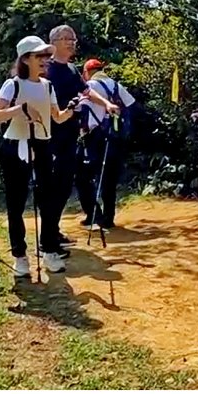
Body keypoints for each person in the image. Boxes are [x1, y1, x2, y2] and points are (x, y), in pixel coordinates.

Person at [0, 35, 79, 276]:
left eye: (47, 56)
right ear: (25, 59)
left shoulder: (47, 86)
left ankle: (49, 250)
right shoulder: (13, 84)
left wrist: (72, 108)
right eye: (40, 56)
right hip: (15, 145)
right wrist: (20, 110)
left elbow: (56, 117)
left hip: (41, 144)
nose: (45, 60)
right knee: (16, 203)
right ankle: (20, 257)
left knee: (48, 199)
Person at [46, 25, 121, 245]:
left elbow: (86, 91)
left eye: (73, 39)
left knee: (65, 184)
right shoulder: (45, 69)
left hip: (70, 135)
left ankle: (53, 231)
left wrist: (107, 104)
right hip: (48, 136)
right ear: (53, 42)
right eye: (66, 38)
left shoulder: (70, 69)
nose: (71, 42)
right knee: (53, 185)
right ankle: (48, 235)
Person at [78, 58, 137, 228]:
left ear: (87, 72)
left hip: (94, 137)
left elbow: (80, 109)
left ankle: (93, 213)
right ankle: (108, 218)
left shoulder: (89, 87)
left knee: (83, 177)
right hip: (115, 138)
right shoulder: (116, 85)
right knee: (108, 179)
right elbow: (132, 106)